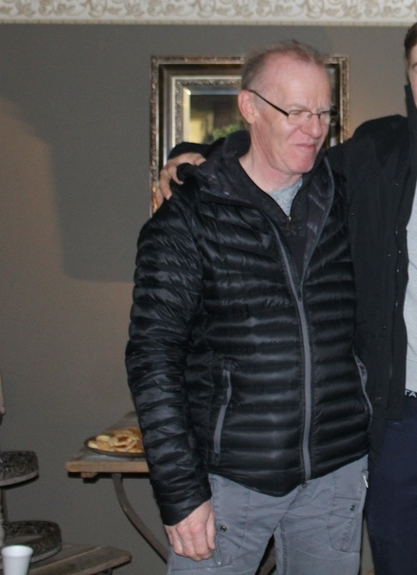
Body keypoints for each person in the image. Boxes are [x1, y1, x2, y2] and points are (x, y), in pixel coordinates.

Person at [160, 10, 417, 575]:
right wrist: (198, 155)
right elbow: (283, 153)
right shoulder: (376, 155)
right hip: (406, 427)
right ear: (409, 79)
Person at [127, 41, 369, 575]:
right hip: (227, 484)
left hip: (334, 474)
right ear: (249, 107)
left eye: (323, 113)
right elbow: (152, 359)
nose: (313, 129)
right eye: (295, 111)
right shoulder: (187, 219)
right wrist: (180, 491)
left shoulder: (346, 198)